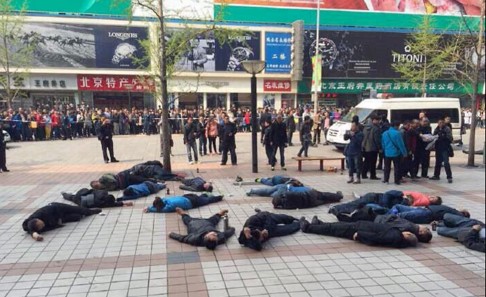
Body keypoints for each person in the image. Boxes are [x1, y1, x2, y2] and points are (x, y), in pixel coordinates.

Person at [300, 216, 418, 248]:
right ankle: (319, 224)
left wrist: (360, 235)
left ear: (408, 235)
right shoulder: (397, 236)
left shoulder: (395, 236)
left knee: (335, 230)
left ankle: (308, 228)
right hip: (362, 226)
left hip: (360, 230)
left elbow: (377, 237)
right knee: (338, 226)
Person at [329, 190, 442, 217]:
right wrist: (385, 205)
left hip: (377, 201)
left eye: (433, 199)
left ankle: (338, 209)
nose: (431, 197)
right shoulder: (399, 195)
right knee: (358, 203)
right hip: (376, 197)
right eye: (432, 196)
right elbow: (388, 194)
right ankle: (337, 208)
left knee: (359, 205)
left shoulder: (403, 203)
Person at [22, 203, 101, 241]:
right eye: (41, 226)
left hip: (58, 208)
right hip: (58, 219)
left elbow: (55, 210)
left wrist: (58, 220)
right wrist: (35, 235)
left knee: (78, 210)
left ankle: (91, 211)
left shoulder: (43, 213)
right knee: (77, 217)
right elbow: (30, 230)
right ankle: (81, 214)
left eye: (41, 223)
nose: (43, 225)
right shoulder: (29, 224)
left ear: (38, 219)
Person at [168, 208, 234, 250]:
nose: (216, 234)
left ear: (206, 237)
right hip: (209, 223)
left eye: (213, 235)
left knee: (186, 219)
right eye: (215, 236)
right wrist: (232, 229)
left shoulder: (195, 239)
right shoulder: (220, 238)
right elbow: (228, 233)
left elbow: (182, 238)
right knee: (214, 219)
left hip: (193, 223)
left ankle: (182, 213)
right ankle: (220, 213)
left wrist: (171, 234)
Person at [382, 120, 407, 185]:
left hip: (387, 153)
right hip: (396, 153)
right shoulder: (397, 133)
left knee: (387, 167)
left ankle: (386, 180)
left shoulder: (385, 133)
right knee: (397, 167)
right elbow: (400, 144)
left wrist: (385, 150)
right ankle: (396, 180)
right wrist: (404, 153)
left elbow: (383, 143)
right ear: (396, 126)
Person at [388, 204, 470, 224]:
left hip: (427, 214)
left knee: (399, 215)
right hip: (425, 210)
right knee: (397, 206)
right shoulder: (454, 211)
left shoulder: (458, 215)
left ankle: (385, 218)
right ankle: (385, 216)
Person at [144, 194, 223, 213]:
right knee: (201, 198)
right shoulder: (165, 200)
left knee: (207, 201)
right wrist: (149, 207)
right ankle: (205, 195)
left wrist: (150, 209)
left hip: (192, 202)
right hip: (186, 196)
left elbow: (160, 210)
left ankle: (219, 197)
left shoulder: (169, 207)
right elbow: (158, 202)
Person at [62, 188, 133, 208]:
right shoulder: (102, 204)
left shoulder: (102, 193)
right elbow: (113, 204)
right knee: (71, 198)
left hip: (81, 195)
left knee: (71, 197)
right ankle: (65, 194)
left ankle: (64, 194)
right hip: (81, 202)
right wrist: (124, 203)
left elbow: (91, 190)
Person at [272, 190, 343, 209]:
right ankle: (338, 196)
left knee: (325, 201)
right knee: (324, 195)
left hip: (311, 204)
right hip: (310, 195)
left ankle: (337, 199)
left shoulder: (286, 206)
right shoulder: (286, 194)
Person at [361, 115, 381, 180]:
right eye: (377, 120)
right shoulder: (375, 128)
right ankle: (373, 175)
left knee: (366, 161)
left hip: (366, 147)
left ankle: (363, 174)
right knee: (373, 162)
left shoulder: (365, 127)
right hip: (373, 148)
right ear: (374, 120)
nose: (379, 121)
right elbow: (376, 139)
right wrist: (379, 147)